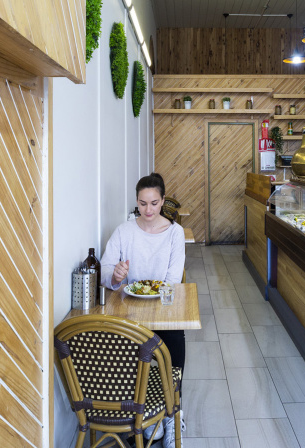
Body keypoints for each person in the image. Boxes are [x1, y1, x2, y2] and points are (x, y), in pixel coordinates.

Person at [100, 172, 185, 447]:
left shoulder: (175, 233)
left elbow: (173, 279)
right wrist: (115, 275)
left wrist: (150, 292)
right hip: (130, 312)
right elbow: (105, 271)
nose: (148, 210)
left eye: (154, 203)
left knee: (174, 346)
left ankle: (172, 413)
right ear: (136, 201)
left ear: (163, 201)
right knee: (126, 357)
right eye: (142, 203)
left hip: (163, 310)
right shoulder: (124, 231)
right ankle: (144, 414)